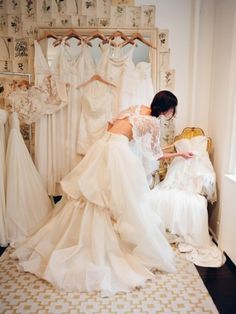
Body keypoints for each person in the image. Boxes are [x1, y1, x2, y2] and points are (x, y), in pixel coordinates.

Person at [11, 90, 193, 297]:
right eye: (172, 110)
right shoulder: (152, 122)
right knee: (117, 201)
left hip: (103, 147)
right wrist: (179, 153)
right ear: (167, 108)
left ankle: (78, 240)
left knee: (92, 196)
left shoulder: (137, 108)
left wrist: (127, 142)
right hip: (117, 154)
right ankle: (104, 249)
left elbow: (110, 124)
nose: (172, 113)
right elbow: (156, 154)